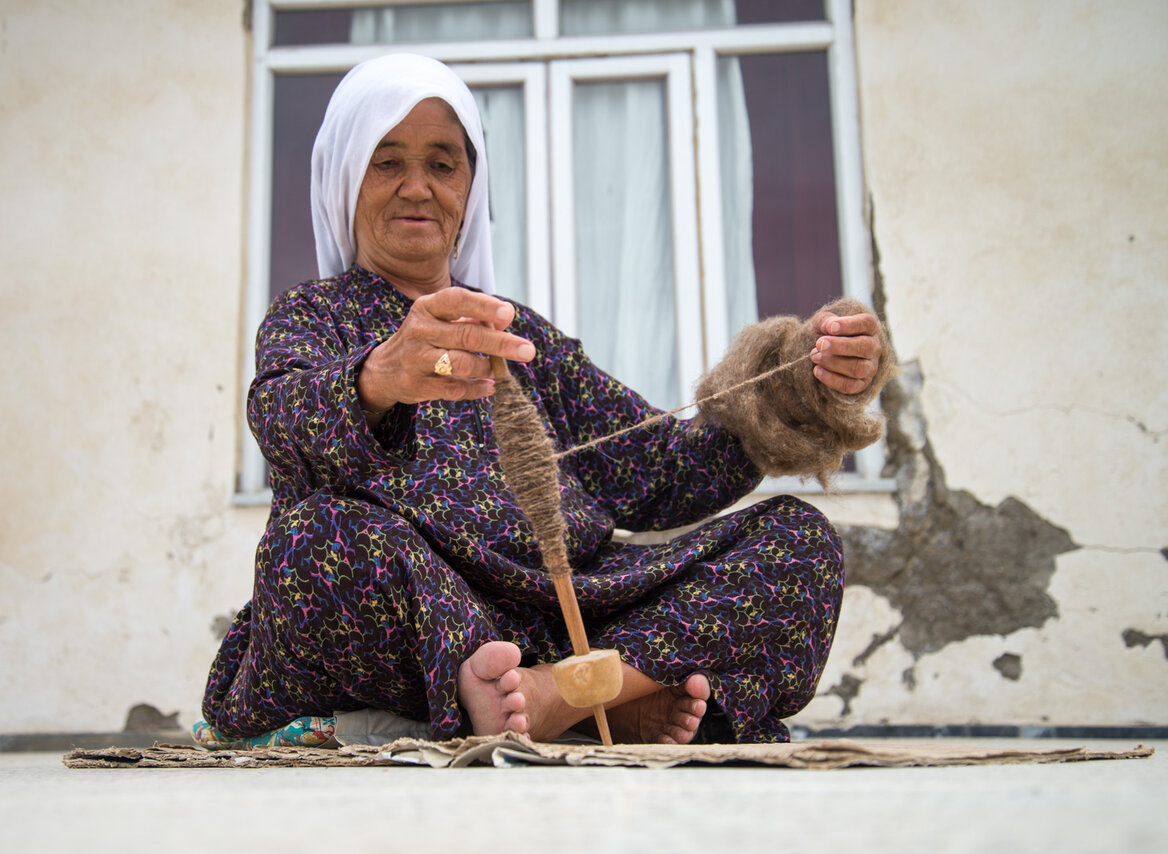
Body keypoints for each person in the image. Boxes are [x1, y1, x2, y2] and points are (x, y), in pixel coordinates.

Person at [202, 53, 884, 745]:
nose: (418, 187)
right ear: (345, 177)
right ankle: (588, 690)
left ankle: (563, 692)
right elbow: (280, 418)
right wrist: (378, 377)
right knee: (314, 541)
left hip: (574, 612)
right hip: (430, 615)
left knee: (798, 542)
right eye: (388, 162)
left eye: (442, 164)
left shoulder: (519, 337)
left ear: (470, 186)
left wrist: (804, 381)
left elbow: (663, 471)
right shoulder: (312, 316)